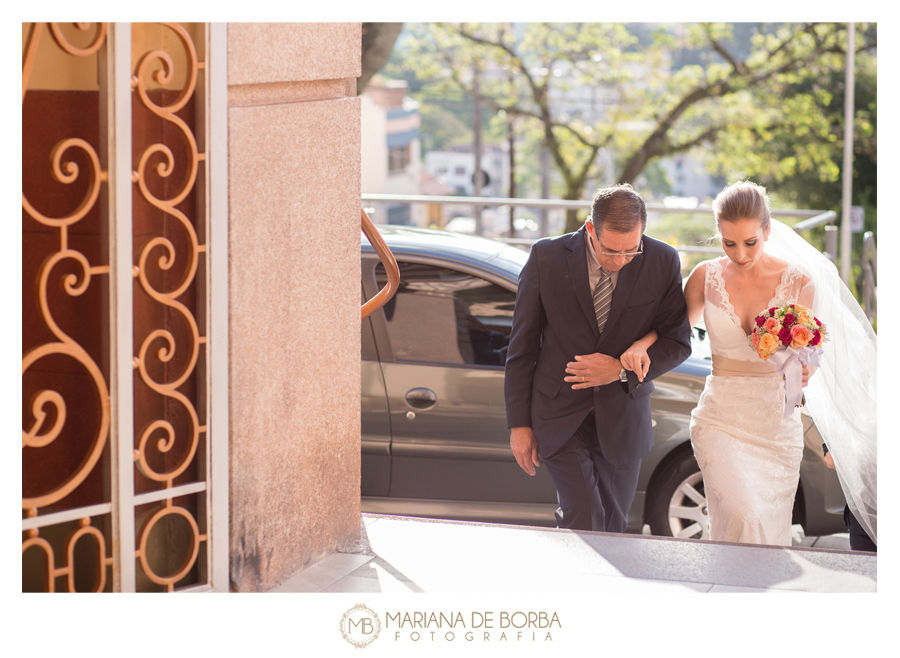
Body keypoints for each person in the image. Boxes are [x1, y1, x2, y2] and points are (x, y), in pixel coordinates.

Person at [623, 180, 876, 547]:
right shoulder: (705, 277)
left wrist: (806, 370)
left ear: (767, 231)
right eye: (729, 243)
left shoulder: (800, 281)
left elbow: (810, 355)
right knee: (742, 516)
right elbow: (670, 330)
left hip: (776, 426)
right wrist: (642, 344)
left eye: (750, 242)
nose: (739, 254)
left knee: (769, 533)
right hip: (720, 419)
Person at [504, 183, 692, 533]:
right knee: (586, 512)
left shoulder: (662, 260)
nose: (621, 262)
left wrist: (620, 370)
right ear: (591, 229)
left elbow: (677, 341)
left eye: (630, 251)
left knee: (613, 524)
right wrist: (519, 425)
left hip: (623, 416)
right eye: (611, 251)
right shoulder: (547, 257)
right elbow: (522, 346)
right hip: (558, 414)